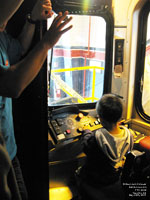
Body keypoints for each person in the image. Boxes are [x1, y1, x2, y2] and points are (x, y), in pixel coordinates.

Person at [0, 0, 73, 199]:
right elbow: (12, 85)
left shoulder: (1, 37)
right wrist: (47, 43)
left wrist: (32, 20)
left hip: (9, 148)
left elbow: (19, 50)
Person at [75, 94, 134, 200]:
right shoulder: (129, 135)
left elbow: (85, 145)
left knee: (79, 171)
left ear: (100, 118)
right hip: (114, 177)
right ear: (120, 117)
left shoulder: (97, 138)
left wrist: (87, 130)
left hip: (95, 180)